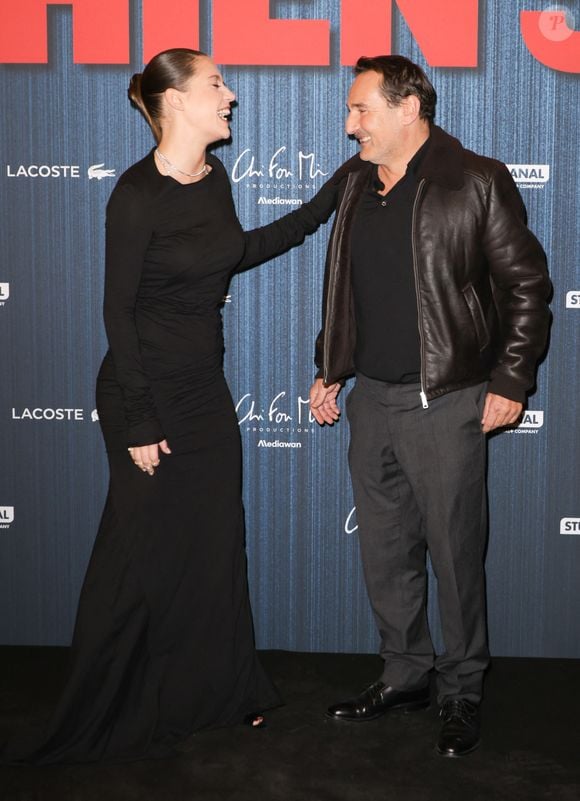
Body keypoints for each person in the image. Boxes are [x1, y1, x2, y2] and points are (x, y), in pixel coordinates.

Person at [3, 48, 336, 764]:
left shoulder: (213, 180)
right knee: (136, 557)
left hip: (202, 391)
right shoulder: (134, 194)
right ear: (175, 101)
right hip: (144, 393)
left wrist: (322, 204)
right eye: (216, 84)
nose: (232, 96)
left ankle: (223, 692)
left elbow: (232, 252)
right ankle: (108, 703)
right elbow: (116, 313)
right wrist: (139, 419)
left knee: (216, 546)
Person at [309, 55, 550, 757]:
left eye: (362, 110)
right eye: (352, 111)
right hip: (371, 401)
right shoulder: (357, 182)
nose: (350, 123)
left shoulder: (473, 179)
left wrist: (510, 379)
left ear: (408, 108)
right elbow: (347, 289)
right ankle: (407, 671)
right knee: (386, 555)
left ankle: (463, 686)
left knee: (453, 554)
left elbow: (526, 286)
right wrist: (329, 368)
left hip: (444, 399)